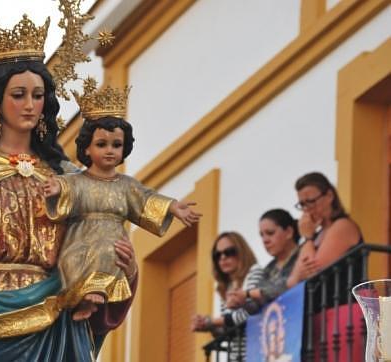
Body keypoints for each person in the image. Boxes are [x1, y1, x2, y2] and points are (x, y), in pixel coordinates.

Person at [0, 16, 139, 361]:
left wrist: (116, 274)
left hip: (58, 328)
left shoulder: (68, 177)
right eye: (19, 95)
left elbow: (94, 241)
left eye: (38, 95)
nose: (30, 105)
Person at [42, 85, 201, 320]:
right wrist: (57, 188)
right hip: (80, 239)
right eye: (102, 144)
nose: (110, 151)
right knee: (73, 258)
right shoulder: (77, 180)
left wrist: (173, 206)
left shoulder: (126, 185)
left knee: (109, 251)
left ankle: (96, 296)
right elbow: (66, 187)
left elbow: (146, 200)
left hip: (111, 239)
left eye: (116, 145)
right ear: (87, 147)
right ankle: (82, 297)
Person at [191, 231, 264, 362]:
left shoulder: (254, 272)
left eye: (229, 252)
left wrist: (212, 321)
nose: (222, 258)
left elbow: (252, 313)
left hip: (257, 352)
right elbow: (228, 329)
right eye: (217, 255)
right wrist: (209, 326)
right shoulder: (225, 287)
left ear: (242, 252)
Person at [287, 172, 362, 285]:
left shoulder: (342, 225)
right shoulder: (315, 236)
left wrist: (307, 238)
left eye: (311, 201)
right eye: (302, 204)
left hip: (343, 300)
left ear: (329, 196)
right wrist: (309, 239)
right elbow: (291, 282)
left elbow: (316, 272)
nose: (307, 209)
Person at [226, 209, 300, 309]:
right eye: (262, 235)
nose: (265, 240)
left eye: (270, 233)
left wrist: (248, 294)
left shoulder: (303, 254)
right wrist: (240, 302)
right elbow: (257, 305)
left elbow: (288, 285)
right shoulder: (268, 269)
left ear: (289, 232)